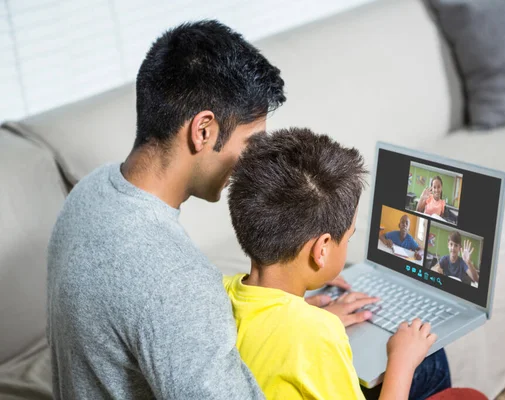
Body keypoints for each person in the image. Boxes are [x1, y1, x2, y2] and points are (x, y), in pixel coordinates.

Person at [46, 21, 368, 399]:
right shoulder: (176, 281)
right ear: (203, 130)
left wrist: (292, 323)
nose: (255, 160)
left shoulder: (90, 191)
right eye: (251, 141)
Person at [224, 128, 450, 400]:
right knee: (432, 361)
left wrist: (307, 314)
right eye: (349, 237)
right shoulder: (318, 335)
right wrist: (401, 362)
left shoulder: (222, 292)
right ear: (321, 250)